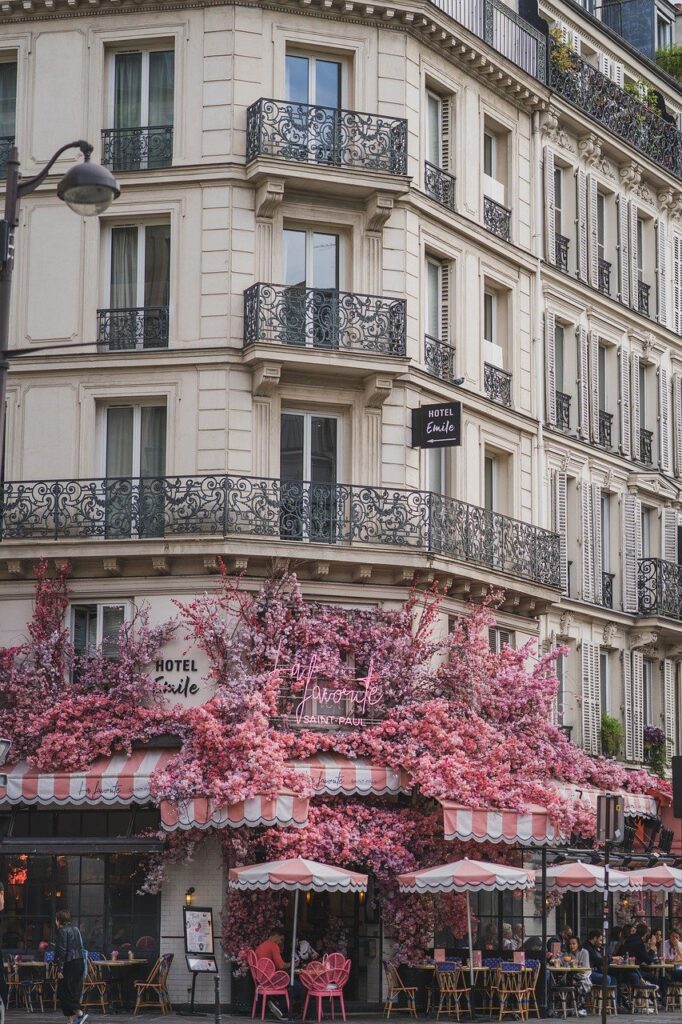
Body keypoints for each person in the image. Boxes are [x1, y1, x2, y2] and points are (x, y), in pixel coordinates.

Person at [55, 910, 88, 1024]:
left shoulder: (62, 931)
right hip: (79, 962)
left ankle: (80, 1013)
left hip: (69, 963)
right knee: (73, 992)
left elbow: (63, 951)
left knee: (63, 993)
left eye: (56, 919)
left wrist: (60, 969)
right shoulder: (76, 929)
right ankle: (70, 1022)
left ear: (59, 920)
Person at [254, 930, 290, 1020]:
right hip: (270, 979)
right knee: (295, 985)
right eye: (281, 939)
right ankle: (279, 1006)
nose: (281, 942)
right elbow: (281, 965)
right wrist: (292, 964)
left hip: (260, 979)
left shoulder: (261, 946)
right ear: (276, 936)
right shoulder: (274, 946)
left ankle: (275, 1001)